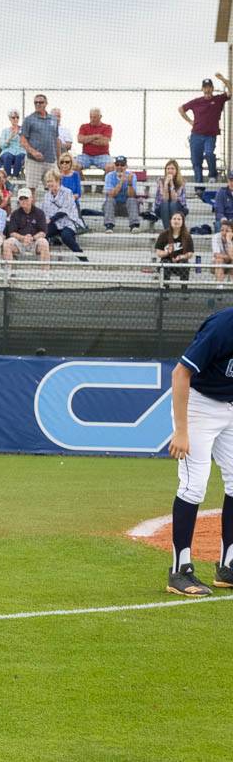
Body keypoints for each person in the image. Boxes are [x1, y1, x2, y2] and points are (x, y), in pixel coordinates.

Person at [164, 304, 233, 596]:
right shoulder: (223, 326)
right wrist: (181, 430)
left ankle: (228, 566)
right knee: (194, 486)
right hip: (199, 406)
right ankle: (180, 571)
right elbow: (180, 374)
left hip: (230, 406)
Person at [178, 74, 231, 193]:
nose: (207, 89)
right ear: (202, 89)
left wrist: (224, 80)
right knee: (196, 162)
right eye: (205, 87)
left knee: (209, 153)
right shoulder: (197, 101)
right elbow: (181, 109)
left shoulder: (218, 99)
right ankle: (199, 187)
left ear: (212, 88)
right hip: (196, 135)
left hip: (210, 136)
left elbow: (230, 92)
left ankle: (212, 175)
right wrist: (190, 121)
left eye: (209, 87)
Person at [42, 169, 89, 262]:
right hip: (54, 223)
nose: (49, 184)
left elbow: (64, 210)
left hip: (68, 222)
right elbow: (44, 211)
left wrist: (51, 219)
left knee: (66, 236)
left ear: (58, 180)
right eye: (48, 181)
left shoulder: (67, 192)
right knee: (42, 233)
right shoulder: (46, 195)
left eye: (51, 181)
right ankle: (46, 258)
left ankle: (83, 258)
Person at [20, 94, 59, 198]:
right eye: (35, 102)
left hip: (51, 160)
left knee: (54, 188)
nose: (38, 104)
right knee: (31, 189)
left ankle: (53, 213)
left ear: (46, 103)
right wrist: (33, 152)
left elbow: (56, 139)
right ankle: (31, 213)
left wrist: (58, 159)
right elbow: (23, 140)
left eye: (40, 102)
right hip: (34, 161)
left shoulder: (54, 119)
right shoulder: (29, 119)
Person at [2, 188, 50, 266]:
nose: (23, 200)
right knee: (7, 243)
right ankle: (8, 273)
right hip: (20, 243)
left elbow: (43, 232)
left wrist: (32, 238)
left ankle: (45, 274)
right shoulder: (15, 214)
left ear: (31, 199)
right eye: (21, 198)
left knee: (44, 242)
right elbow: (12, 233)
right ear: (19, 201)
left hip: (35, 242)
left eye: (26, 198)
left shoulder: (40, 213)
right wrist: (23, 238)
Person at [154, 212, 194, 293]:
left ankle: (184, 289)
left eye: (179, 219)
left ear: (182, 222)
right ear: (170, 221)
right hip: (166, 263)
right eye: (174, 219)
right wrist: (167, 252)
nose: (176, 221)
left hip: (180, 264)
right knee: (166, 263)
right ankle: (165, 289)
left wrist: (181, 257)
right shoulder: (163, 235)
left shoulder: (187, 236)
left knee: (184, 264)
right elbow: (158, 252)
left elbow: (190, 253)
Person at [103, 156, 142, 232]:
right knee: (110, 200)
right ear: (114, 165)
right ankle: (109, 226)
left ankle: (134, 226)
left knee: (131, 200)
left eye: (122, 165)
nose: (119, 167)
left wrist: (129, 183)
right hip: (113, 207)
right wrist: (121, 182)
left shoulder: (132, 175)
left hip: (126, 207)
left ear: (126, 166)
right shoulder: (109, 176)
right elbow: (111, 194)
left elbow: (131, 195)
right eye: (117, 164)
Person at [75, 108, 114, 172]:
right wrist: (96, 136)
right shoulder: (84, 126)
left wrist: (87, 140)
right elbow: (80, 139)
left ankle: (106, 181)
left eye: (95, 117)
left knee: (110, 167)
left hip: (103, 155)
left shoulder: (107, 127)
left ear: (100, 117)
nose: (92, 119)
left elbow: (104, 142)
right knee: (75, 166)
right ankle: (81, 181)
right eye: (91, 117)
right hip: (86, 155)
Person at [153, 159, 189, 227]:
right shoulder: (160, 180)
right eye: (168, 168)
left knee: (173, 204)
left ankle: (174, 229)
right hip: (162, 208)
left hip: (179, 207)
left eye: (172, 168)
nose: (170, 171)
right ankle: (168, 231)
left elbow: (175, 199)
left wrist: (171, 183)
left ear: (176, 170)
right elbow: (164, 199)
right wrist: (166, 184)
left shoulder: (182, 181)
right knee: (165, 204)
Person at [0, 110, 25, 178]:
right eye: (13, 117)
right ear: (10, 119)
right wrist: (10, 137)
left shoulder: (24, 130)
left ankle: (15, 176)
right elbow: (2, 145)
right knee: (8, 156)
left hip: (20, 151)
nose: (15, 119)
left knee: (20, 156)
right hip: (8, 151)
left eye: (17, 117)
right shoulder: (5, 131)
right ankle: (7, 176)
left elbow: (28, 143)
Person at [213, 219, 233, 286]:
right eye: (222, 230)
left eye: (227, 231)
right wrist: (228, 257)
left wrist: (228, 241)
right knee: (219, 260)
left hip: (231, 264)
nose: (224, 232)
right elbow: (216, 255)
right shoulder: (216, 237)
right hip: (218, 263)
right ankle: (219, 287)